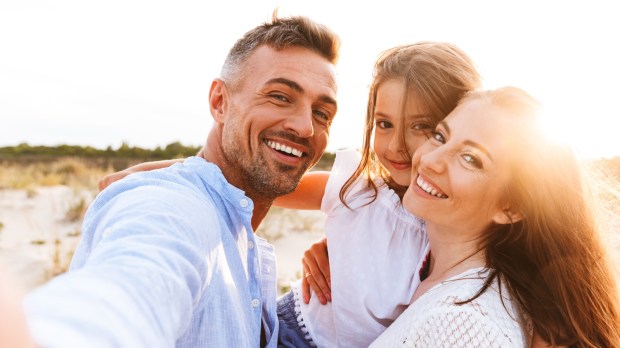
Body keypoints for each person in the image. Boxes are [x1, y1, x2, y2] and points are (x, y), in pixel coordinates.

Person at [99, 42, 482, 347]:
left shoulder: (460, 226)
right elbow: (247, 180)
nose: (396, 146)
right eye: (383, 124)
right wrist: (147, 172)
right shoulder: (359, 189)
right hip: (293, 330)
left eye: (422, 127)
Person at [22, 12, 340, 348]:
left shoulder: (238, 232)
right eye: (280, 96)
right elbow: (131, 286)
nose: (306, 127)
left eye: (322, 113)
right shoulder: (175, 210)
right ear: (220, 102)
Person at [369, 87, 620, 347]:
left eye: (470, 159)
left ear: (511, 208)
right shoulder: (432, 274)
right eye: (440, 136)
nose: (430, 159)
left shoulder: (461, 325)